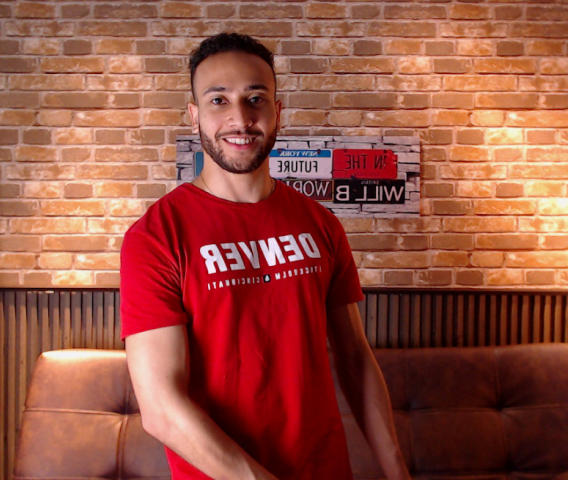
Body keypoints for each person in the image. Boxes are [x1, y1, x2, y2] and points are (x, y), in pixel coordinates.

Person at [120, 32, 410, 480]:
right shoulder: (155, 237)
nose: (240, 118)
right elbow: (161, 408)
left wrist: (397, 472)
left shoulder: (320, 223)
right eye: (219, 100)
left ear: (278, 111)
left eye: (255, 98)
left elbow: (355, 358)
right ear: (194, 115)